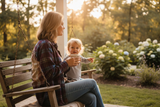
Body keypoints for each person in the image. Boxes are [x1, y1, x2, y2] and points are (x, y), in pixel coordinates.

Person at [31, 11, 104, 107]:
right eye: (61, 24)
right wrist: (66, 64)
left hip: (58, 88)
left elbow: (55, 70)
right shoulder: (44, 45)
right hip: (50, 94)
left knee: (91, 98)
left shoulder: (50, 45)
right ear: (53, 26)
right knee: (92, 83)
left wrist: (68, 67)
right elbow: (50, 74)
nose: (64, 27)